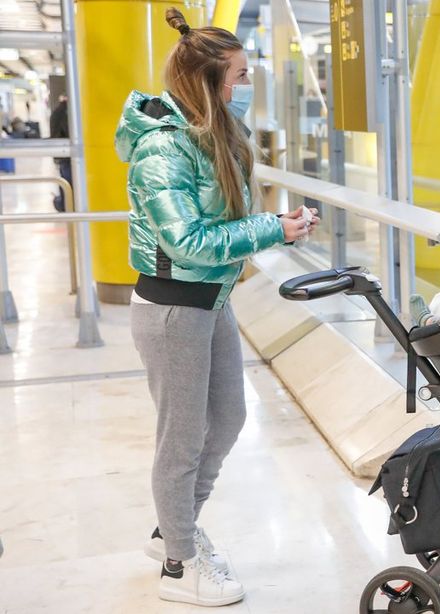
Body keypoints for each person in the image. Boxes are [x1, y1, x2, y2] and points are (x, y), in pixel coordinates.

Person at [114, 8, 318, 607]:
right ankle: (179, 561)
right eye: (240, 75)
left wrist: (275, 226)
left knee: (225, 421)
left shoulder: (214, 134)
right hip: (174, 308)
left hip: (213, 299)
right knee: (181, 439)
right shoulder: (163, 150)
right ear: (209, 82)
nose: (246, 85)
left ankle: (171, 529)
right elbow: (188, 241)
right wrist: (271, 230)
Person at [49, 95, 71, 212]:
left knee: (66, 183)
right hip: (67, 156)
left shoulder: (58, 110)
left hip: (63, 156)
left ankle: (62, 203)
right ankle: (63, 204)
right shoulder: (66, 111)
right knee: (68, 183)